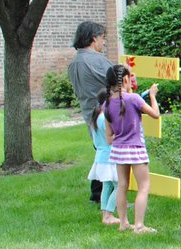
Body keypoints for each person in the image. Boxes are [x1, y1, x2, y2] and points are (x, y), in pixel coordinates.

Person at [103, 63, 161, 233]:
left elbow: (109, 137)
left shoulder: (106, 104)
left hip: (118, 150)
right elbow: (155, 115)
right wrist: (152, 96)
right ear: (126, 79)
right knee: (144, 186)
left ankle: (123, 223)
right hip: (136, 148)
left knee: (122, 185)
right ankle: (139, 226)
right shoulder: (134, 98)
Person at [67, 21, 110, 204]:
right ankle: (109, 197)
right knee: (110, 156)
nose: (104, 43)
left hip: (88, 114)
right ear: (94, 38)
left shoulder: (75, 62)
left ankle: (96, 195)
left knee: (100, 153)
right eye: (102, 38)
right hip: (106, 115)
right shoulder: (98, 61)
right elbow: (120, 79)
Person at [88, 88, 120, 226]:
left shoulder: (96, 117)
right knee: (119, 185)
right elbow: (110, 138)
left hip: (101, 157)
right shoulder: (104, 119)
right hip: (109, 157)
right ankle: (109, 214)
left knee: (107, 186)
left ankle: (105, 216)